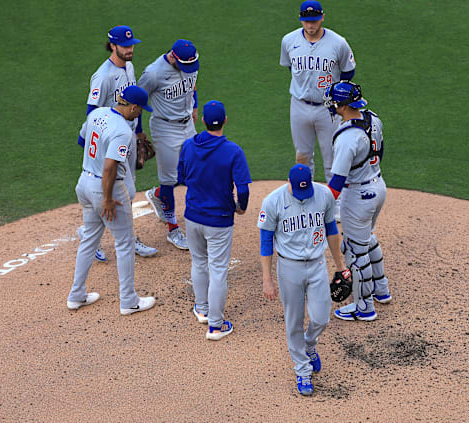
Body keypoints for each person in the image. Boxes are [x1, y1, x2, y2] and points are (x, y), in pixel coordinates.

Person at [258, 163, 348, 396]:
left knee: (322, 318)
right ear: (289, 183)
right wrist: (267, 280)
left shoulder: (323, 195)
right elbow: (266, 242)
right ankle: (302, 370)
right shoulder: (273, 201)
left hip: (317, 264)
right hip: (289, 268)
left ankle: (309, 344)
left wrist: (341, 267)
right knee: (294, 321)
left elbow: (331, 231)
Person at [67, 86, 157, 316]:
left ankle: (76, 295)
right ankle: (129, 301)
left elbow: (82, 141)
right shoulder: (123, 131)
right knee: (125, 243)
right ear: (133, 107)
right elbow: (109, 168)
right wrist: (107, 199)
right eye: (140, 110)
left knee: (89, 239)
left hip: (84, 183)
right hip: (105, 189)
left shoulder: (97, 114)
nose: (139, 115)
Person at [76, 25, 157, 260]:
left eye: (131, 45)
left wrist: (139, 132)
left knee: (127, 191)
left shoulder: (129, 67)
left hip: (127, 136)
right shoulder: (102, 76)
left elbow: (134, 101)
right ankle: (92, 234)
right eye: (125, 46)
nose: (130, 50)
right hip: (109, 140)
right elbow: (92, 113)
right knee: (111, 189)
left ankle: (121, 236)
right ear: (112, 45)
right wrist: (95, 147)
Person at [177, 100, 251, 340]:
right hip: (219, 220)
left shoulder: (188, 146)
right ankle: (216, 325)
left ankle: (202, 309)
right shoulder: (233, 151)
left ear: (202, 121)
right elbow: (243, 189)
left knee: (199, 262)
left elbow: (181, 177)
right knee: (218, 270)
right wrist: (240, 208)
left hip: (193, 217)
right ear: (225, 120)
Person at [323, 80, 392, 321]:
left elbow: (338, 181)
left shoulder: (346, 139)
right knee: (367, 238)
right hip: (378, 186)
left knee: (353, 249)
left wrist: (322, 205)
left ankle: (363, 307)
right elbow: (379, 152)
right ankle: (381, 290)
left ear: (342, 105)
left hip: (358, 196)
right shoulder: (374, 118)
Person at [280, 1, 356, 201]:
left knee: (332, 159)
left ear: (322, 17)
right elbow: (291, 68)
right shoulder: (288, 40)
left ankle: (336, 203)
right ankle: (304, 198)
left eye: (314, 20)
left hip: (328, 109)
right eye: (306, 21)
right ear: (300, 19)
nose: (310, 25)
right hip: (299, 105)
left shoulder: (338, 43)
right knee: (302, 156)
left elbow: (349, 72)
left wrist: (336, 95)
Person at [139, 39, 201, 250]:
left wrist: (195, 106)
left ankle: (157, 195)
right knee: (169, 180)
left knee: (193, 170)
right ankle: (173, 229)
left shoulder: (190, 63)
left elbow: (193, 85)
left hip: (187, 124)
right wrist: (138, 132)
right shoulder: (154, 73)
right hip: (165, 128)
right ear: (174, 56)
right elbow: (138, 99)